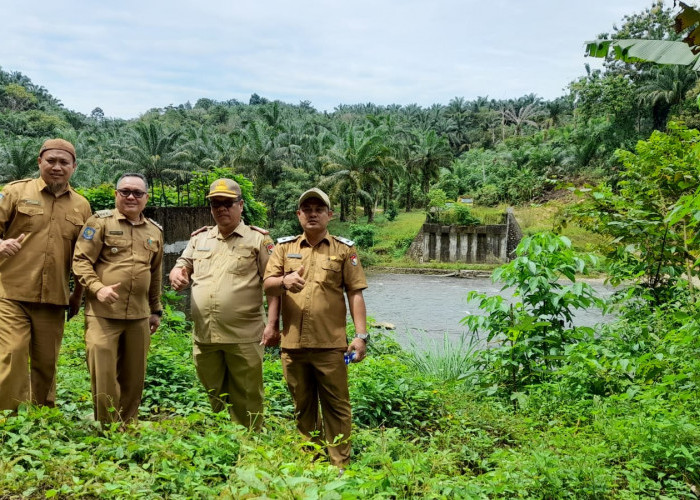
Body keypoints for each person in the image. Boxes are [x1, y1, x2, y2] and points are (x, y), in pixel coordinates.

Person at [263, 188, 369, 470]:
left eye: (318, 209)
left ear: (329, 215)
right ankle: (312, 461)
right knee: (303, 407)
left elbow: (355, 293)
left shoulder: (344, 249)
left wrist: (360, 337)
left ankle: (339, 467)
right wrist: (284, 282)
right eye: (306, 209)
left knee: (337, 407)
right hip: (293, 346)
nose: (312, 213)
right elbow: (268, 285)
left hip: (331, 346)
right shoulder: (284, 248)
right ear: (298, 215)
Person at [169, 178, 280, 430]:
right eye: (215, 204)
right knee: (214, 391)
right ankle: (224, 437)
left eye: (228, 203)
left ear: (240, 205)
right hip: (205, 335)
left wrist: (273, 324)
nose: (221, 209)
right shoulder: (199, 239)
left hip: (244, 334)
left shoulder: (258, 240)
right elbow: (183, 264)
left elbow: (273, 286)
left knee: (248, 394)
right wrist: (177, 272)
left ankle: (250, 443)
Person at [0, 138, 92, 411]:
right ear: (39, 161)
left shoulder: (82, 206)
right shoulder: (15, 192)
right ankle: (9, 417)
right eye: (50, 160)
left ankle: (42, 415)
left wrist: (78, 295)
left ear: (73, 167)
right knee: (12, 354)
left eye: (64, 162)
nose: (56, 167)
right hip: (11, 292)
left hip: (54, 297)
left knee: (46, 361)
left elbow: (83, 257)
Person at [72, 173, 163, 425]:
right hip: (103, 314)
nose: (131, 197)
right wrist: (97, 287)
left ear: (146, 197)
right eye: (125, 192)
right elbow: (80, 261)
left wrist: (156, 309)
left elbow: (155, 273)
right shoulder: (99, 222)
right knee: (103, 374)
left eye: (137, 193)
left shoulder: (154, 231)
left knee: (134, 377)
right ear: (116, 195)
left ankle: (127, 425)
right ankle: (107, 428)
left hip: (138, 315)